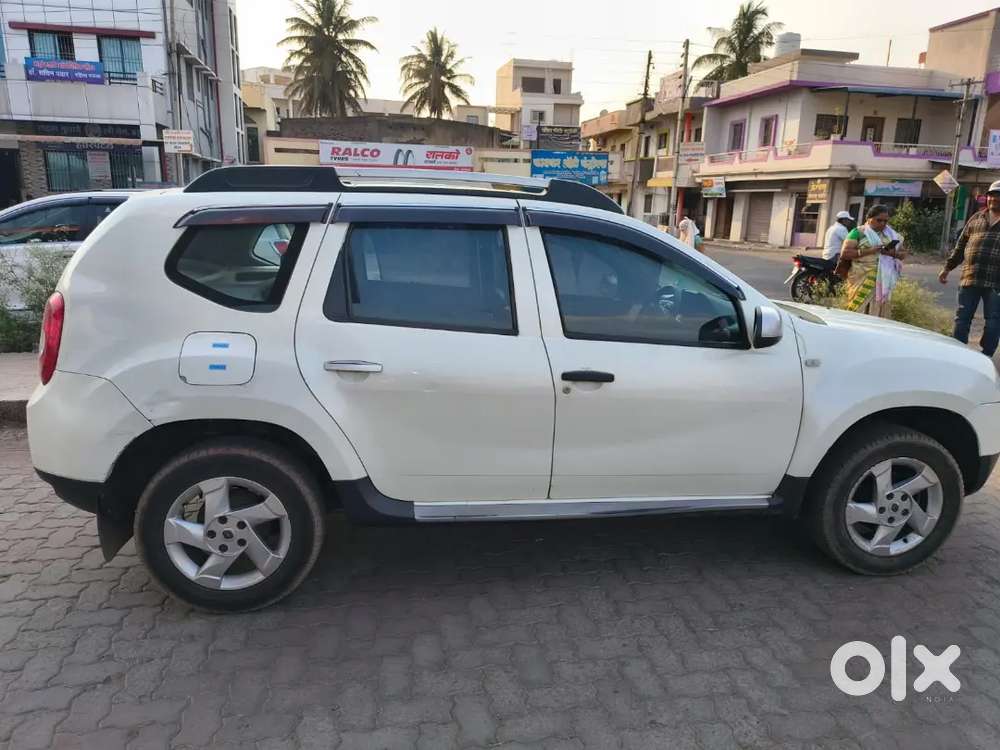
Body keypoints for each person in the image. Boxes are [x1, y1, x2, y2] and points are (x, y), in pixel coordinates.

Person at [939, 180, 1000, 357]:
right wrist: (947, 267)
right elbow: (961, 245)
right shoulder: (976, 218)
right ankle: (959, 354)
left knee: (993, 321)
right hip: (970, 277)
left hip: (996, 282)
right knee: (962, 318)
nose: (994, 199)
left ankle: (986, 356)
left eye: (998, 196)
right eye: (991, 196)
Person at [838, 204, 905, 318]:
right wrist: (870, 251)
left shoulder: (892, 235)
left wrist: (891, 253)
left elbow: (903, 254)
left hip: (883, 278)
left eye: (885, 221)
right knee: (858, 309)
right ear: (869, 218)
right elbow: (845, 253)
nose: (883, 224)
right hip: (861, 275)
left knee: (879, 310)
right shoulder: (858, 232)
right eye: (879, 220)